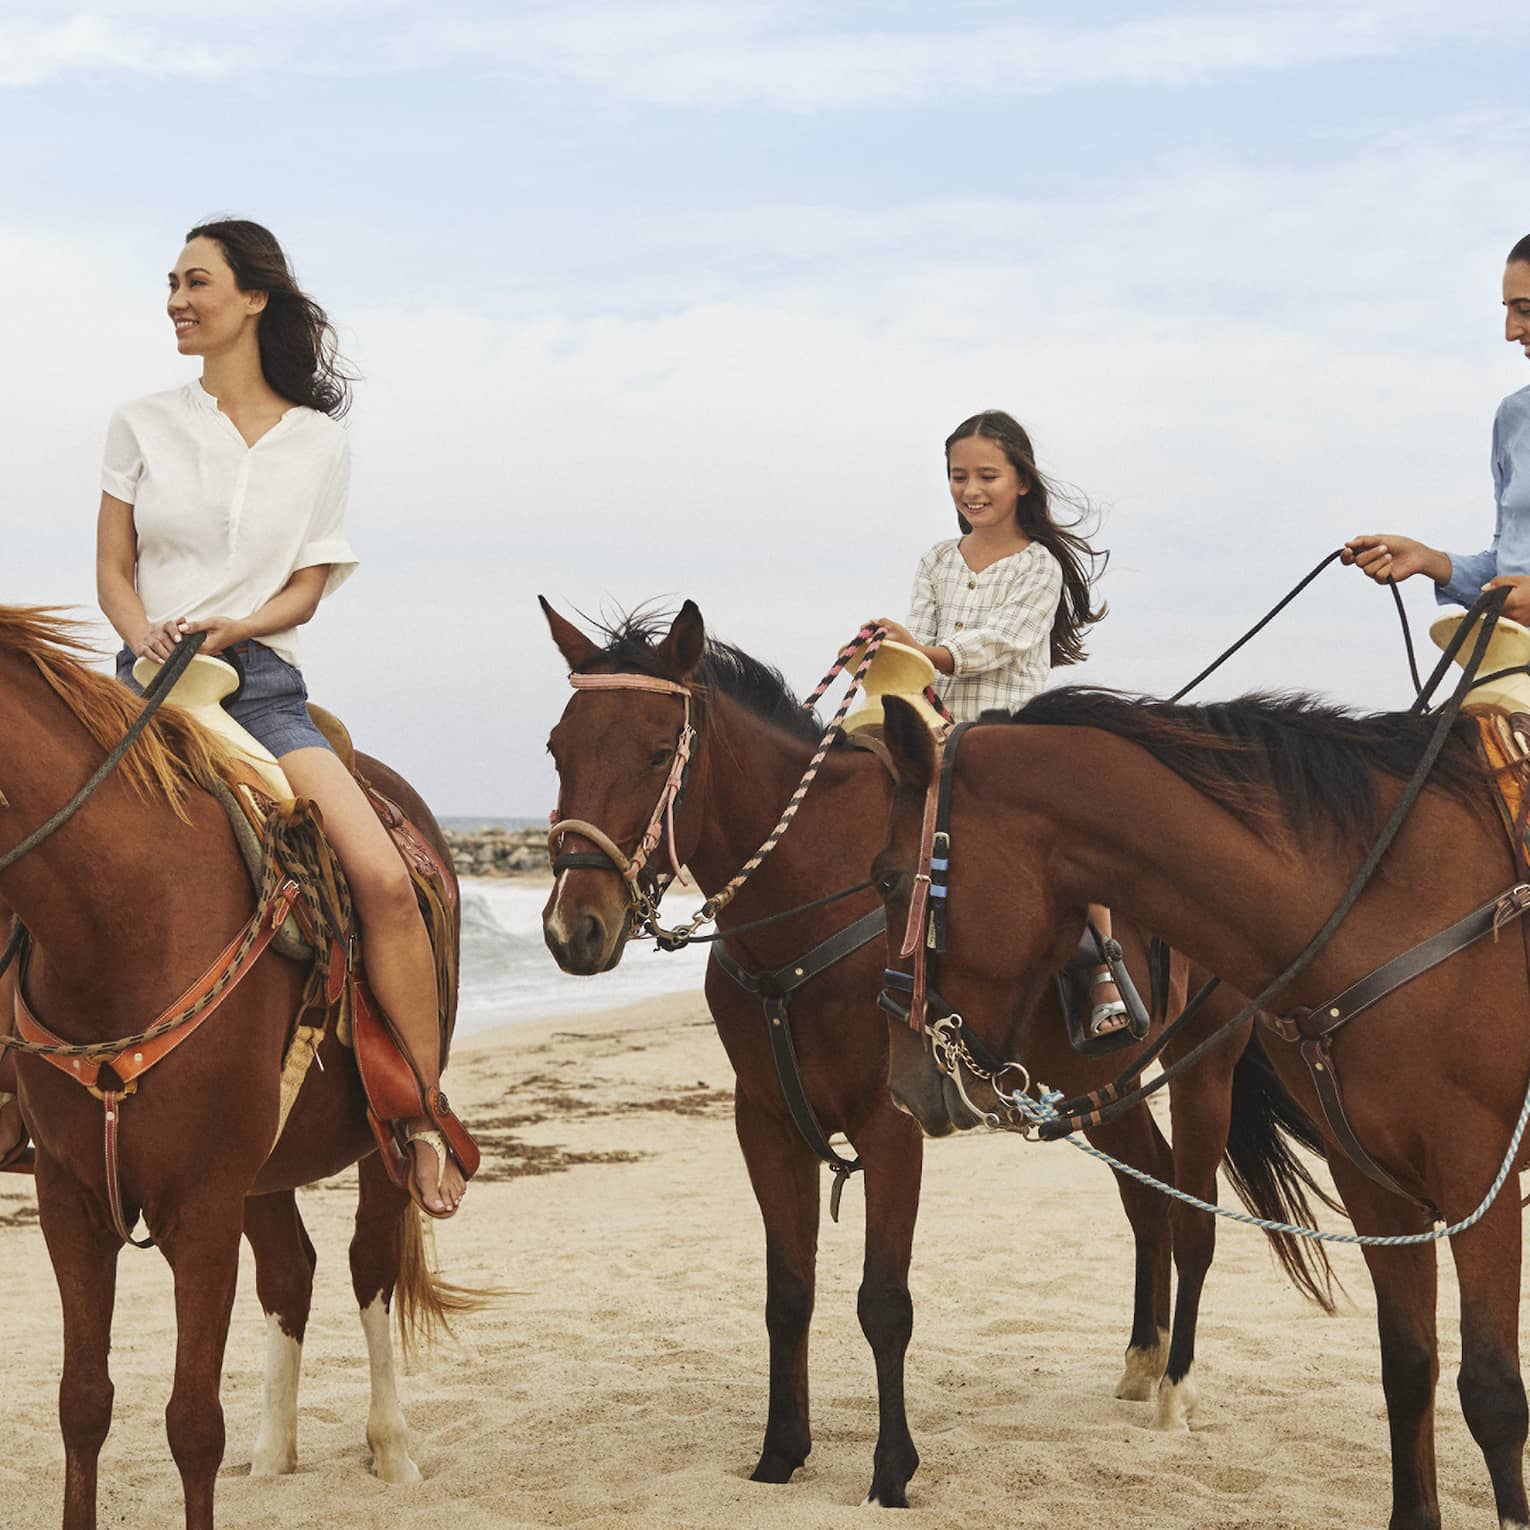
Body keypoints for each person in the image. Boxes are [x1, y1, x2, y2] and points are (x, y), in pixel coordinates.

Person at [72, 218, 462, 1214]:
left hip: (264, 685)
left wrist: (238, 624)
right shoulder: (140, 423)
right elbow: (115, 571)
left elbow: (309, 585)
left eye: (195, 282)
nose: (175, 300)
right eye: (169, 283)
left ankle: (417, 1115)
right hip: (147, 686)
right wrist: (150, 637)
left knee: (380, 875)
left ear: (253, 299)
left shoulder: (318, 440)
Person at [874, 409, 1130, 1036]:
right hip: (937, 726)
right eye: (958, 476)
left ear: (1021, 482)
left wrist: (924, 651)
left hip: (1011, 731)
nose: (971, 490)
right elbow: (922, 635)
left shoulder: (1037, 563)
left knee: (1074, 825)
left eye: (987, 475)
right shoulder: (937, 559)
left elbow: (1005, 641)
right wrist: (894, 653)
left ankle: (1099, 965)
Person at [1345, 234, 1530, 623]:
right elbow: (1506, 569)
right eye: (1508, 310)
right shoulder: (1514, 417)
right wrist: (1429, 560)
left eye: (1525, 309)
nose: (1510, 331)